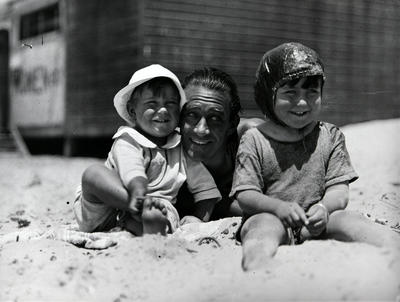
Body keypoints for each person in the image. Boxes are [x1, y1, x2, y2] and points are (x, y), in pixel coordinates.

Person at [230, 42, 400, 271]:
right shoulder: (255, 139)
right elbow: (245, 194)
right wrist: (278, 208)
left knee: (350, 219)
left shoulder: (330, 136)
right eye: (290, 92)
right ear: (267, 95)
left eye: (312, 92)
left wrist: (323, 208)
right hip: (271, 217)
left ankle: (392, 247)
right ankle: (258, 263)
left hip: (318, 223)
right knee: (261, 226)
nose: (301, 102)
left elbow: (339, 190)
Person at [74, 64, 221, 236]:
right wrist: (137, 193)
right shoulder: (127, 139)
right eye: (153, 103)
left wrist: (198, 219)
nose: (163, 110)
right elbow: (132, 169)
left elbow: (206, 189)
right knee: (93, 174)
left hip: (155, 208)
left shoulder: (181, 147)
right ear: (132, 110)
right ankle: (139, 208)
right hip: (111, 205)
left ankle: (150, 225)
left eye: (171, 103)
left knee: (157, 213)